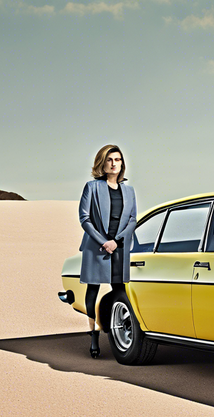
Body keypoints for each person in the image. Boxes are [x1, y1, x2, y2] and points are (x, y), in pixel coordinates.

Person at [78, 144, 137, 358]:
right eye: (110, 159)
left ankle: (119, 333)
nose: (114, 164)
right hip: (96, 248)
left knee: (120, 290)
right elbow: (84, 219)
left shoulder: (129, 191)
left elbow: (132, 220)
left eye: (118, 160)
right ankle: (93, 335)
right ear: (102, 163)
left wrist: (116, 241)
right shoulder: (91, 187)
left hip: (119, 248)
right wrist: (104, 241)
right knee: (92, 290)